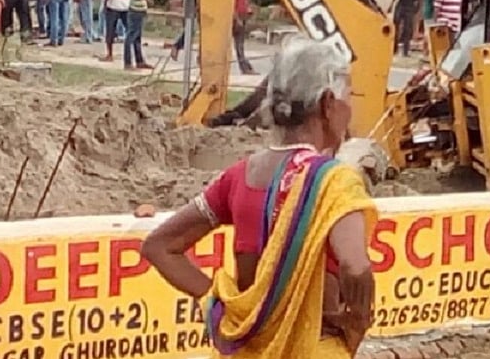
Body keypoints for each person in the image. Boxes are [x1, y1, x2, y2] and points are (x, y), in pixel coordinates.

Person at [141, 37, 376, 358]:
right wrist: (356, 326)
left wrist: (217, 303)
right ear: (327, 104)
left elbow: (159, 245)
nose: (352, 108)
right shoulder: (334, 181)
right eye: (349, 96)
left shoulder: (239, 175)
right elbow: (355, 266)